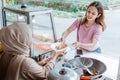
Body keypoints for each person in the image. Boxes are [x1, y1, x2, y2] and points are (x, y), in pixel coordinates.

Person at [0, 22, 66, 80]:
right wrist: (56, 56)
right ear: (21, 40)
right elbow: (44, 74)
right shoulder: (25, 61)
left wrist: (38, 64)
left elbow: (22, 70)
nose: (31, 40)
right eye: (29, 36)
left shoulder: (4, 54)